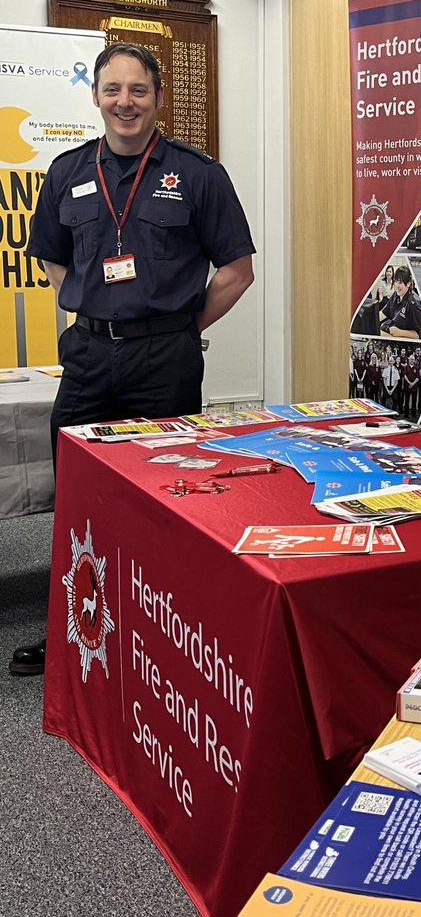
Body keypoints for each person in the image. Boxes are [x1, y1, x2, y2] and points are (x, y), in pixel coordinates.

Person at [11, 42, 255, 677]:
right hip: (89, 357)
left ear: (158, 97)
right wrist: (96, 310)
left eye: (138, 90)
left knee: (167, 495)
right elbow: (54, 260)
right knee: (78, 495)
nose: (125, 102)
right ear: (95, 96)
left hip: (165, 361)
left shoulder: (199, 175)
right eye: (112, 89)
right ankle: (72, 627)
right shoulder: (66, 171)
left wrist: (176, 328)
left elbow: (236, 271)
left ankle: (163, 633)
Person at [379, 265, 421, 340]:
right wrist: (372, 320)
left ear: (408, 284)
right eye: (395, 281)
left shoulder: (412, 305)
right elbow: (384, 313)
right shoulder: (395, 295)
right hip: (388, 331)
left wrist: (400, 332)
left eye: (400, 282)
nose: (396, 286)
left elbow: (417, 335)